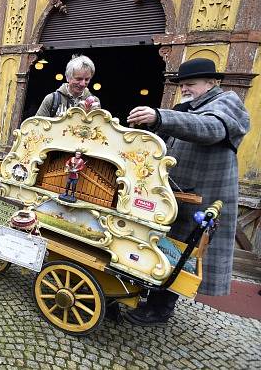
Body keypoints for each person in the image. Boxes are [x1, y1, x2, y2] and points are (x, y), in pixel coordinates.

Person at [126, 57, 250, 325]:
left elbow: (209, 129)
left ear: (211, 82)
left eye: (190, 84)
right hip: (175, 195)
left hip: (199, 197)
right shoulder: (191, 106)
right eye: (182, 85)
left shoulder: (226, 103)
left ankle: (160, 309)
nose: (184, 89)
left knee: (182, 251)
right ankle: (152, 296)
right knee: (166, 248)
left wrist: (161, 116)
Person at [35, 54, 100, 117]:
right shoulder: (51, 99)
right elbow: (36, 125)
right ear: (68, 77)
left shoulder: (95, 102)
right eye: (78, 79)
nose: (82, 84)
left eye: (87, 79)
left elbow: (98, 127)